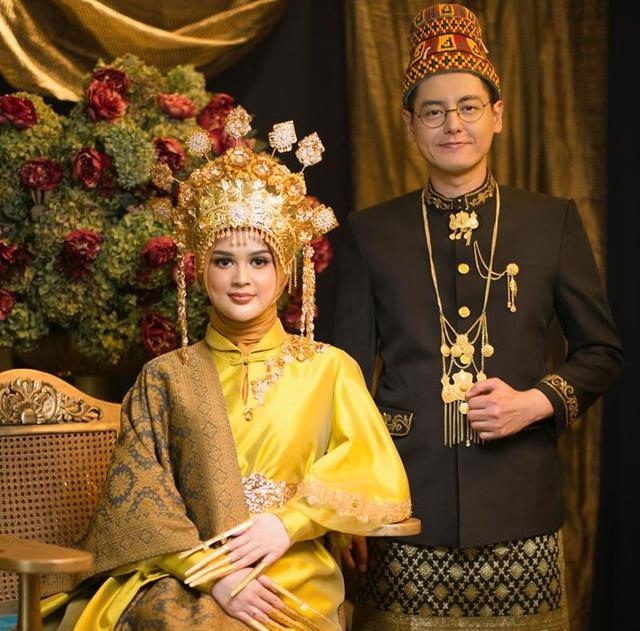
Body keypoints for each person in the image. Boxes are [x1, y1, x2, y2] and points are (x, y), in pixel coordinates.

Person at [40, 107, 411, 631]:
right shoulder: (165, 376)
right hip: (183, 578)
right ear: (199, 270)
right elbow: (138, 504)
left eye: (259, 260)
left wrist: (289, 524)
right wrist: (214, 575)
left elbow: (379, 478)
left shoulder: (327, 370)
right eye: (223, 261)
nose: (241, 279)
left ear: (285, 271)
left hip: (290, 582)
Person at [332, 3, 623, 630]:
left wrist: (535, 402)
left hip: (522, 509)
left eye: (468, 107)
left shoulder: (551, 222)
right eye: (433, 111)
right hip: (402, 509)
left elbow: (602, 353)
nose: (453, 125)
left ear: (498, 115)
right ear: (409, 125)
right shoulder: (369, 233)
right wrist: (348, 503)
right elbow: (344, 382)